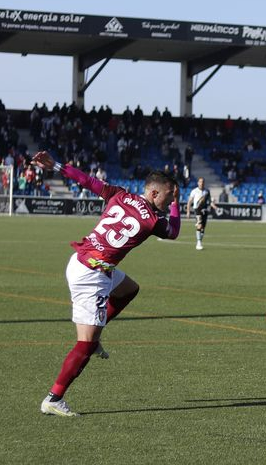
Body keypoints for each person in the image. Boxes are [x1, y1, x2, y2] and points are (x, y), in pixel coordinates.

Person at [32, 151, 180, 417]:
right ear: (155, 193)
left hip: (81, 261)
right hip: (93, 276)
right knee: (85, 345)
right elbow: (174, 232)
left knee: (129, 289)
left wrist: (55, 165)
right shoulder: (153, 221)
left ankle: (96, 334)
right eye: (170, 195)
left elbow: (87, 181)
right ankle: (54, 398)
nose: (171, 199)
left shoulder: (119, 195)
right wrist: (176, 206)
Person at [185, 177, 218, 250]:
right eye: (200, 182)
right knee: (199, 225)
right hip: (197, 210)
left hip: (205, 210)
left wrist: (214, 206)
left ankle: (199, 241)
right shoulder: (194, 191)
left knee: (203, 228)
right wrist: (188, 211)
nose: (201, 183)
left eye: (202, 182)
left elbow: (209, 201)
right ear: (198, 183)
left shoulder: (207, 191)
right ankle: (198, 243)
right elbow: (189, 201)